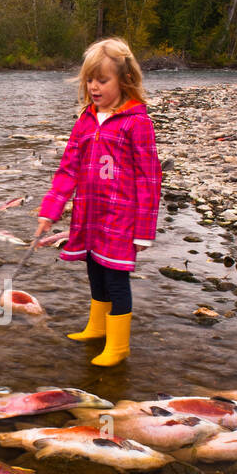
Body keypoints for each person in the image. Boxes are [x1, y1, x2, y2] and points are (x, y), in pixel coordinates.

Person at [33, 37, 161, 366]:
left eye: (102, 80)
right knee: (94, 270)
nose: (94, 86)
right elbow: (67, 170)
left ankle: (119, 346)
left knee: (115, 277)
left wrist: (144, 230)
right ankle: (97, 327)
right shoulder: (86, 120)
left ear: (125, 80)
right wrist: (50, 211)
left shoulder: (137, 122)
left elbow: (149, 178)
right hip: (89, 214)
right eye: (90, 79)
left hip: (121, 218)